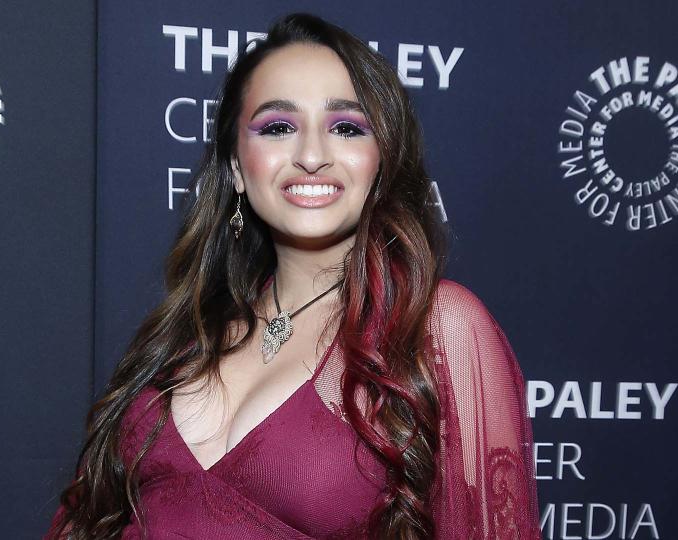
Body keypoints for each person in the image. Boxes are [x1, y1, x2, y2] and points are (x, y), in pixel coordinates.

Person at [45, 12, 540, 539]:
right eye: (278, 127)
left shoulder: (433, 326)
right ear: (237, 165)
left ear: (383, 160)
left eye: (346, 127)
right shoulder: (187, 336)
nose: (310, 156)